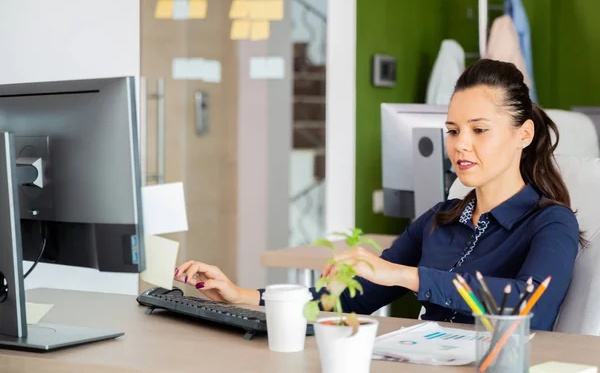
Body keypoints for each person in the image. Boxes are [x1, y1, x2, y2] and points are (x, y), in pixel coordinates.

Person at [174, 59, 581, 331]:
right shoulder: (440, 220)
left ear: (523, 134)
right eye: (453, 131)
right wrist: (242, 296)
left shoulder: (550, 222)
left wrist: (407, 276)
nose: (459, 145)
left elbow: (531, 306)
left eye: (479, 130)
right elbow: (351, 298)